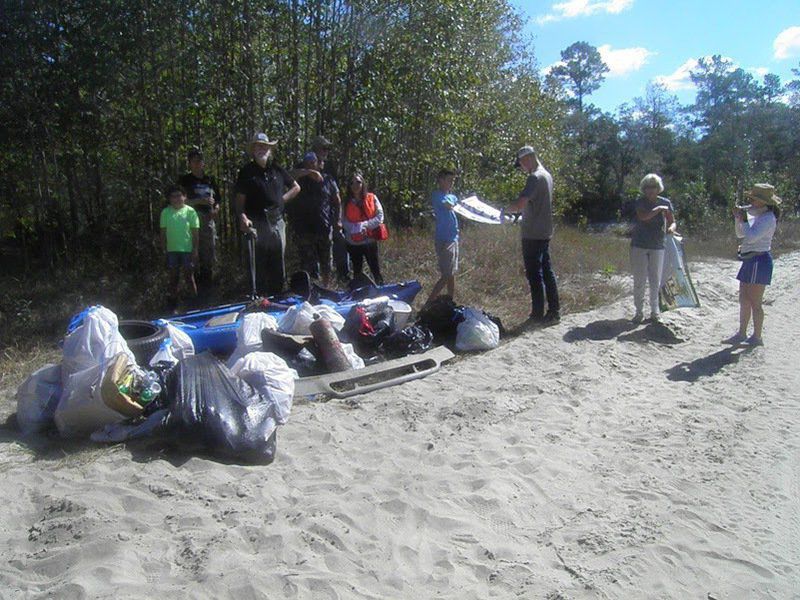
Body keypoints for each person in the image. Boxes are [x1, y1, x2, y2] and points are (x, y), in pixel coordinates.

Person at [234, 132, 300, 296]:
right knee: (259, 263)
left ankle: (277, 297)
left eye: (264, 146)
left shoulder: (276, 169)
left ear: (269, 149)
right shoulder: (246, 172)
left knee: (278, 261)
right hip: (257, 222)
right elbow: (239, 200)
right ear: (253, 150)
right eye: (257, 146)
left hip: (277, 221)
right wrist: (242, 217)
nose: (261, 149)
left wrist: (281, 201)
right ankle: (260, 300)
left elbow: (296, 187)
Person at [505, 146, 560, 325]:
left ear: (527, 159)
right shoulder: (547, 175)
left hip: (533, 234)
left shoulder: (534, 177)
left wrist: (502, 210)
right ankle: (553, 312)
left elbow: (520, 204)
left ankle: (537, 314)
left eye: (520, 164)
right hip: (544, 231)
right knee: (547, 271)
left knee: (534, 274)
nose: (521, 168)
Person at [723, 183, 781, 346]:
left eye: (754, 199)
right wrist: (738, 218)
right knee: (743, 298)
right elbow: (740, 233)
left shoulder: (768, 218)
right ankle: (741, 333)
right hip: (749, 260)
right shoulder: (757, 214)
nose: (751, 201)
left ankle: (757, 336)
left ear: (764, 202)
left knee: (755, 301)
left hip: (759, 260)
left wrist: (744, 219)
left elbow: (752, 236)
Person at [630, 173, 676, 323]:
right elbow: (643, 217)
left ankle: (655, 311)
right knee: (639, 278)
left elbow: (672, 221)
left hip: (658, 245)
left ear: (658, 188)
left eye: (654, 187)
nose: (651, 190)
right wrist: (658, 210)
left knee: (656, 278)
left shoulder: (666, 202)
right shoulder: (640, 202)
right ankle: (638, 312)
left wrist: (671, 228)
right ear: (644, 189)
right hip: (639, 244)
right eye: (648, 187)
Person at [287, 151, 337, 285]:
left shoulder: (328, 179)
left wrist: (337, 220)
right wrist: (309, 173)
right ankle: (310, 289)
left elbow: (337, 201)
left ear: (319, 163)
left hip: (324, 226)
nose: (310, 164)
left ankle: (326, 288)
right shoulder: (298, 181)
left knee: (326, 262)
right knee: (307, 263)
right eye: (307, 162)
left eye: (313, 162)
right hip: (304, 229)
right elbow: (288, 175)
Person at [179, 148, 221, 296]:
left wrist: (216, 209)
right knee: (192, 257)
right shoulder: (185, 181)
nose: (198, 164)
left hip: (208, 221)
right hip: (190, 222)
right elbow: (179, 202)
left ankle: (207, 291)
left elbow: (218, 201)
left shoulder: (210, 180)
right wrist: (199, 201)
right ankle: (193, 294)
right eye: (194, 161)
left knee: (208, 257)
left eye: (200, 161)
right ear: (189, 163)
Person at [312, 135, 351, 283]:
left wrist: (338, 218)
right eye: (323, 148)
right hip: (308, 220)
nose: (326, 151)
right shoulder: (304, 164)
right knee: (312, 255)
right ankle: (314, 284)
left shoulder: (329, 166)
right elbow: (291, 177)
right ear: (315, 148)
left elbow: (336, 194)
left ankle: (342, 277)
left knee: (337, 245)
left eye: (327, 148)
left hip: (328, 217)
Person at [159, 184, 199, 310]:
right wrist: (163, 249)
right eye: (173, 196)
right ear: (169, 199)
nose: (176, 199)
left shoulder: (190, 212)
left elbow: (195, 233)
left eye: (179, 196)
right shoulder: (165, 212)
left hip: (187, 250)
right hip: (172, 251)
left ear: (184, 197)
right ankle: (172, 306)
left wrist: (195, 249)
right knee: (173, 278)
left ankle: (195, 304)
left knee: (189, 277)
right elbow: (163, 233)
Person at [341, 172, 385, 285]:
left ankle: (381, 291)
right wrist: (356, 228)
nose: (355, 185)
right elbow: (344, 222)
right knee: (357, 272)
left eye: (358, 182)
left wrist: (365, 225)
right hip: (354, 242)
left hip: (370, 240)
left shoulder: (372, 197)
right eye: (352, 183)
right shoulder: (346, 202)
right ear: (349, 186)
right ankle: (358, 294)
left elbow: (380, 217)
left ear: (363, 183)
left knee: (375, 269)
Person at [426, 168, 459, 303]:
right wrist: (453, 204)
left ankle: (450, 300)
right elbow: (447, 205)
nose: (451, 183)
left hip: (454, 238)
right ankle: (428, 304)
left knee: (451, 273)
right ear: (440, 180)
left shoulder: (453, 196)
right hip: (444, 240)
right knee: (446, 274)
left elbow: (454, 201)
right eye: (449, 180)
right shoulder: (437, 195)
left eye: (453, 181)